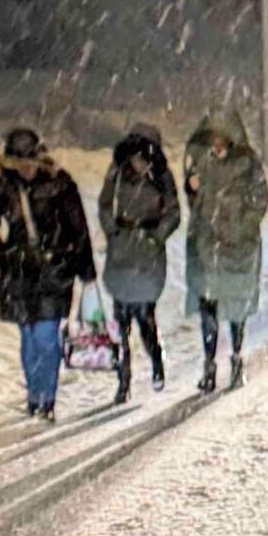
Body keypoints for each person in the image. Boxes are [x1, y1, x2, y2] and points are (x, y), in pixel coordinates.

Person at [0, 128, 96, 421]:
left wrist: (85, 270)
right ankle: (34, 396)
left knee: (46, 337)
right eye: (18, 162)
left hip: (54, 272)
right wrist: (0, 254)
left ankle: (47, 399)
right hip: (17, 274)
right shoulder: (5, 186)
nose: (25, 168)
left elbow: (78, 229)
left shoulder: (61, 184)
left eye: (28, 161)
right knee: (29, 340)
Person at [183, 109, 268, 393]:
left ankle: (236, 356)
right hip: (207, 246)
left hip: (238, 249)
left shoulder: (248, 163)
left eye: (221, 137)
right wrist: (192, 188)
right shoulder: (202, 161)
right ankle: (209, 365)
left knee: (235, 304)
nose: (216, 143)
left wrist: (239, 227)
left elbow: (260, 200)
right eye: (213, 137)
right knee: (208, 304)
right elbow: (195, 201)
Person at [98, 123, 181, 403]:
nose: (138, 161)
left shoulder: (161, 178)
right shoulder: (118, 175)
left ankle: (155, 358)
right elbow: (105, 205)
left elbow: (173, 212)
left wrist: (156, 236)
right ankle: (124, 379)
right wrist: (113, 231)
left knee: (145, 317)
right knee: (120, 321)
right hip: (122, 251)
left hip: (148, 256)